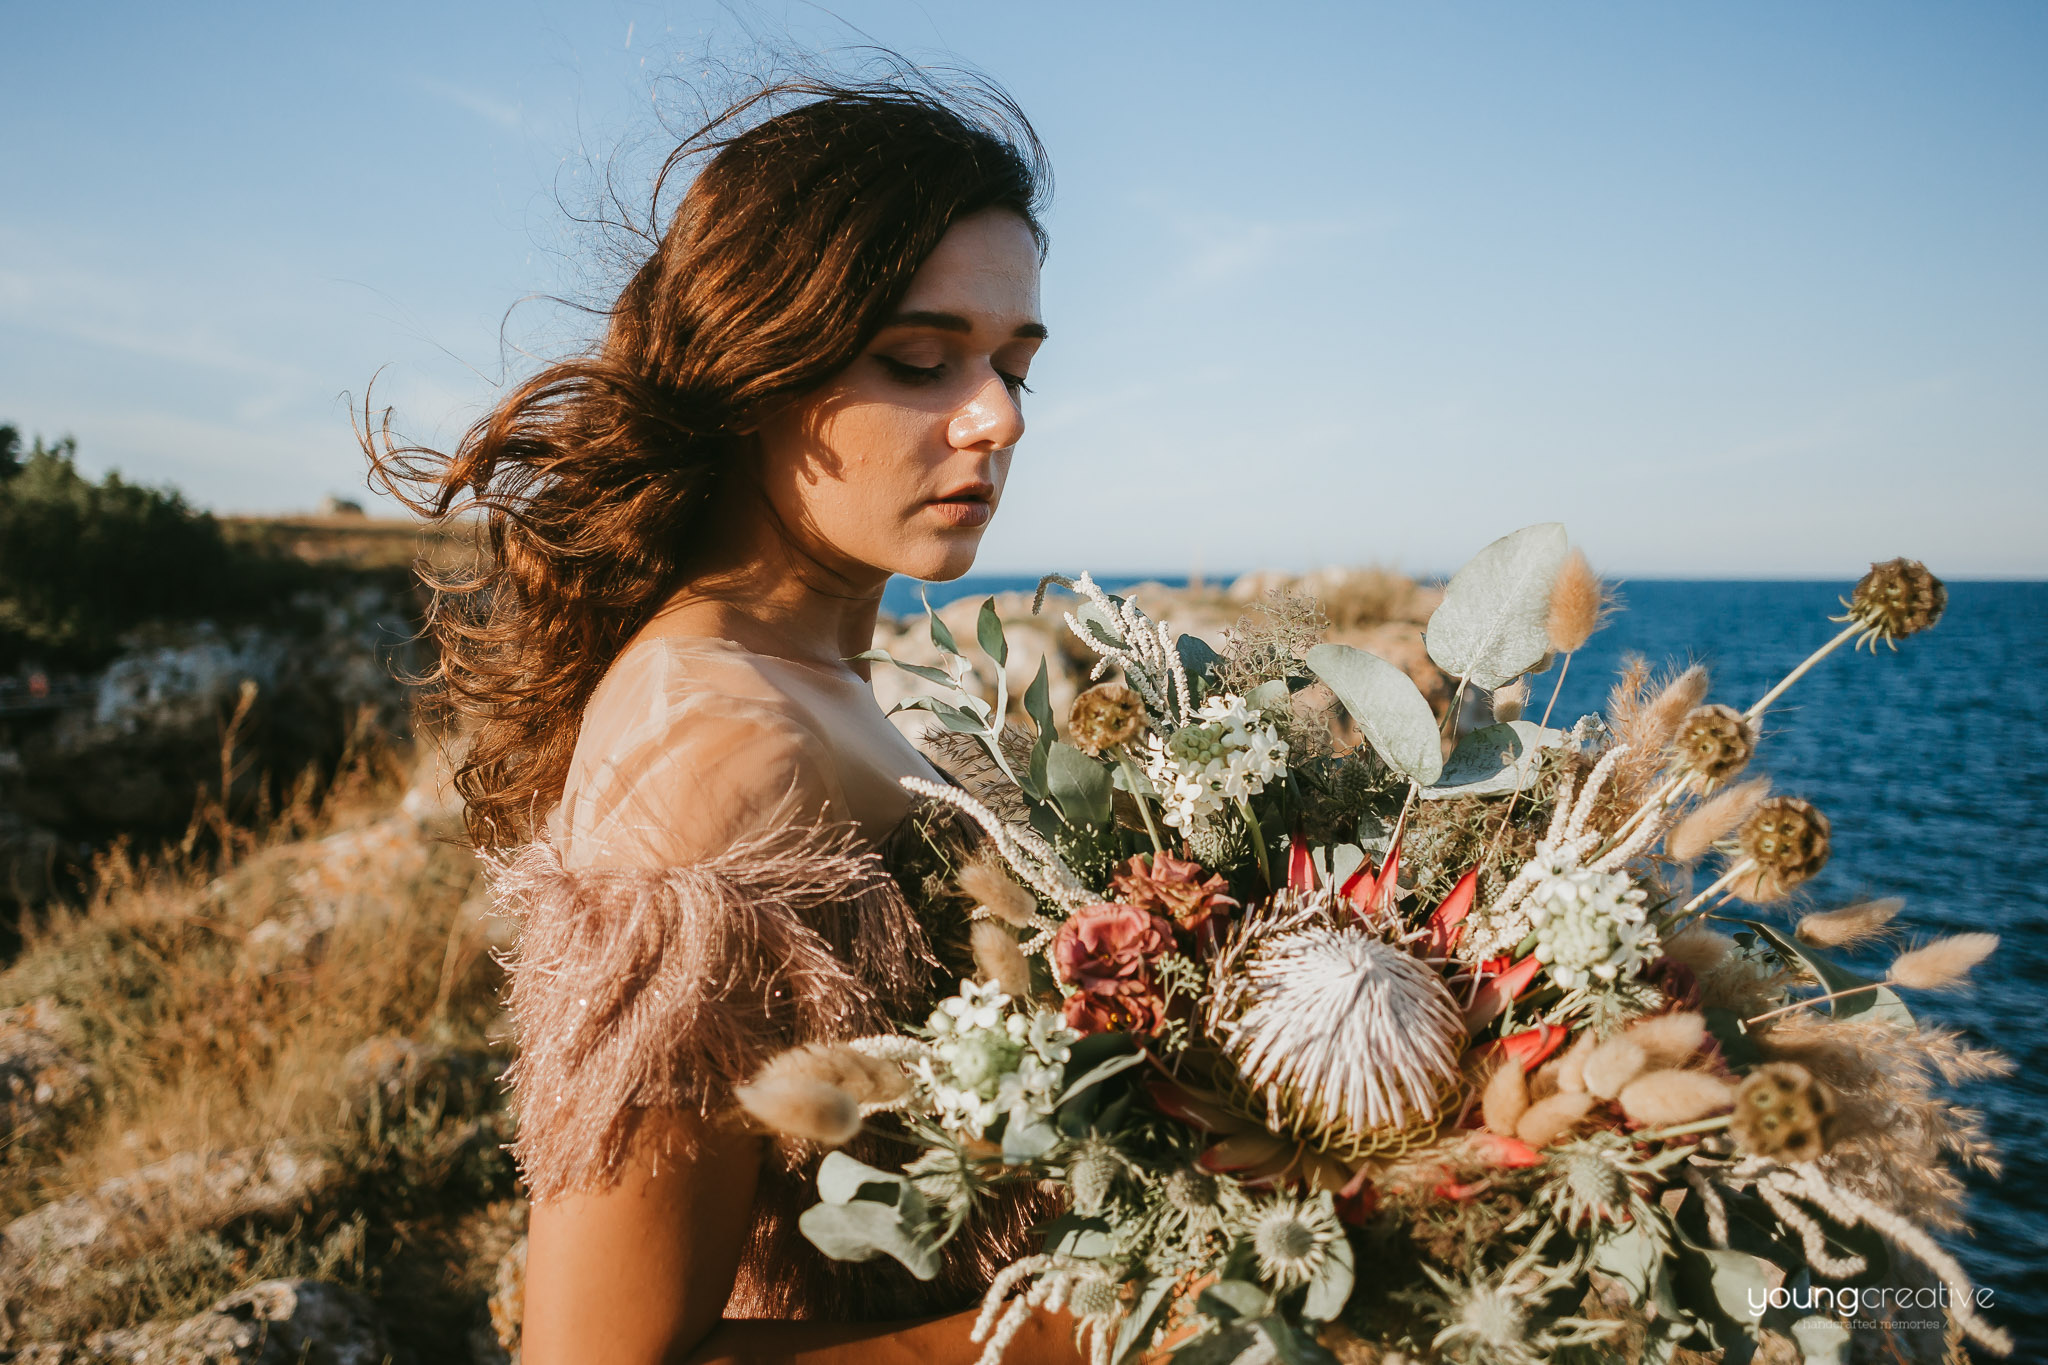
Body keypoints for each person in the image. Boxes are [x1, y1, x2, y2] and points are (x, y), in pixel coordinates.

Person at [369, 76, 1083, 1365]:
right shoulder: (716, 745)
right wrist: (1122, 1332)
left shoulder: (804, 674)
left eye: (1014, 364)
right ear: (759, 369)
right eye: (921, 361)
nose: (1001, 418)